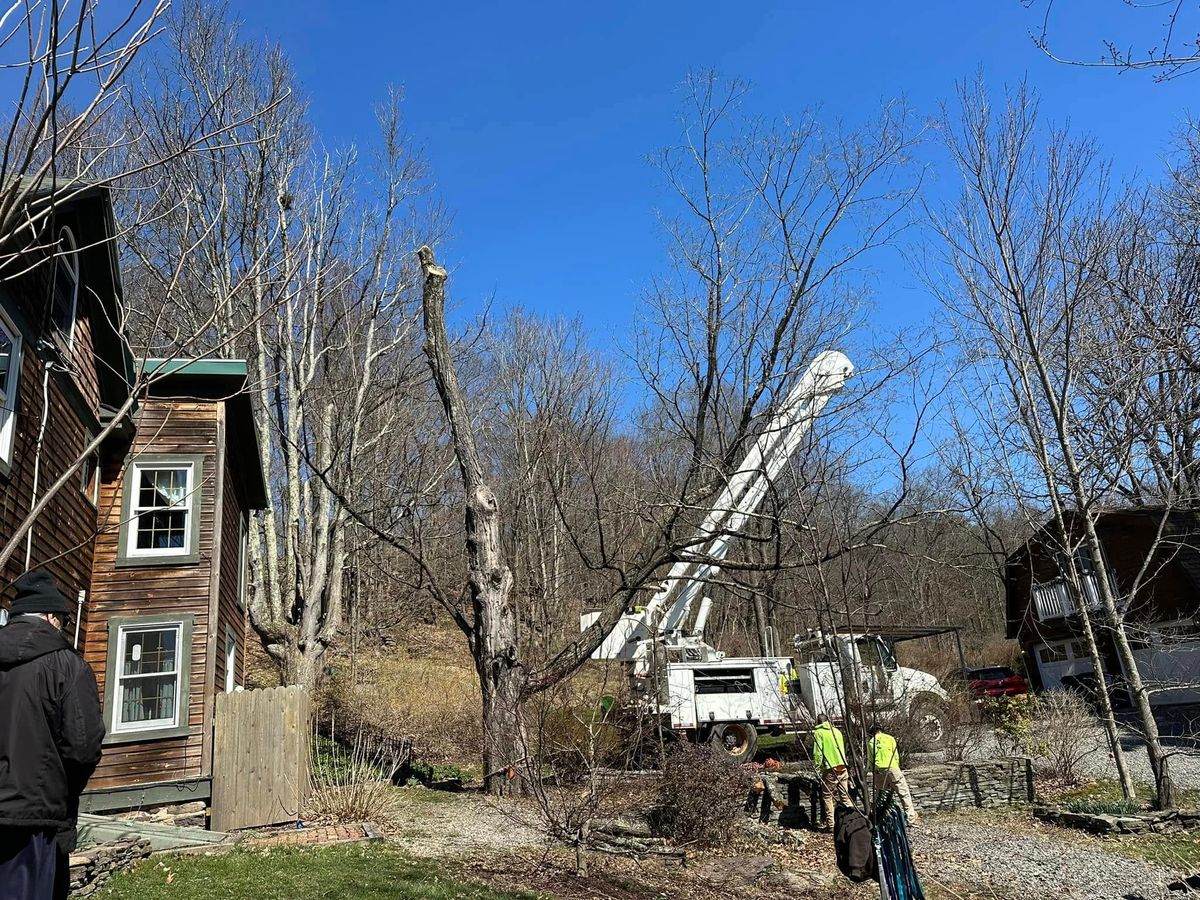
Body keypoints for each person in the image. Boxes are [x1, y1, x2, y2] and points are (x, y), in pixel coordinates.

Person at [0, 570, 105, 900]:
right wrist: (65, 791)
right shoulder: (67, 667)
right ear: (50, 617)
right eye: (62, 619)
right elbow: (83, 747)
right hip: (35, 819)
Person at [868, 723, 919, 826]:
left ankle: (880, 818)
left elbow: (870, 759)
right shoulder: (890, 738)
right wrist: (896, 767)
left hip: (878, 770)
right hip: (892, 767)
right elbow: (895, 756)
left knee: (881, 795)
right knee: (903, 793)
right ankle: (910, 818)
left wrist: (873, 770)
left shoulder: (871, 742)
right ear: (881, 729)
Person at [811, 712, 851, 831]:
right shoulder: (837, 731)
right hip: (842, 766)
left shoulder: (819, 733)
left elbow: (817, 752)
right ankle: (852, 820)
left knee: (828, 796)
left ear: (818, 722)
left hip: (830, 768)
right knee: (845, 796)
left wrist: (817, 767)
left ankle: (831, 825)